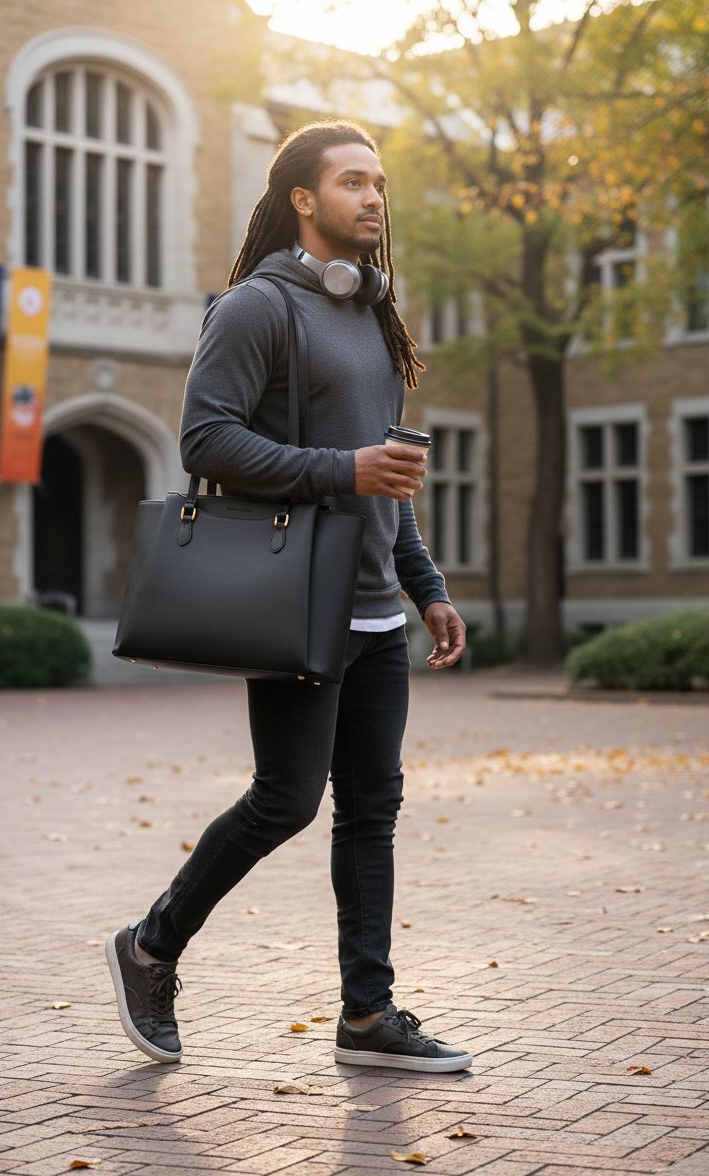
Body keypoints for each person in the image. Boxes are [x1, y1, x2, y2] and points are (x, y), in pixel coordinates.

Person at [106, 120, 471, 1073]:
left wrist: (424, 586)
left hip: (375, 614)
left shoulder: (377, 317)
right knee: (287, 799)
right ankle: (150, 946)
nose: (374, 199)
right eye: (353, 182)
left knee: (373, 808)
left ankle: (365, 1017)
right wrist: (340, 470)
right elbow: (208, 443)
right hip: (297, 604)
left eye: (381, 183)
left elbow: (385, 478)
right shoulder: (256, 308)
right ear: (303, 198)